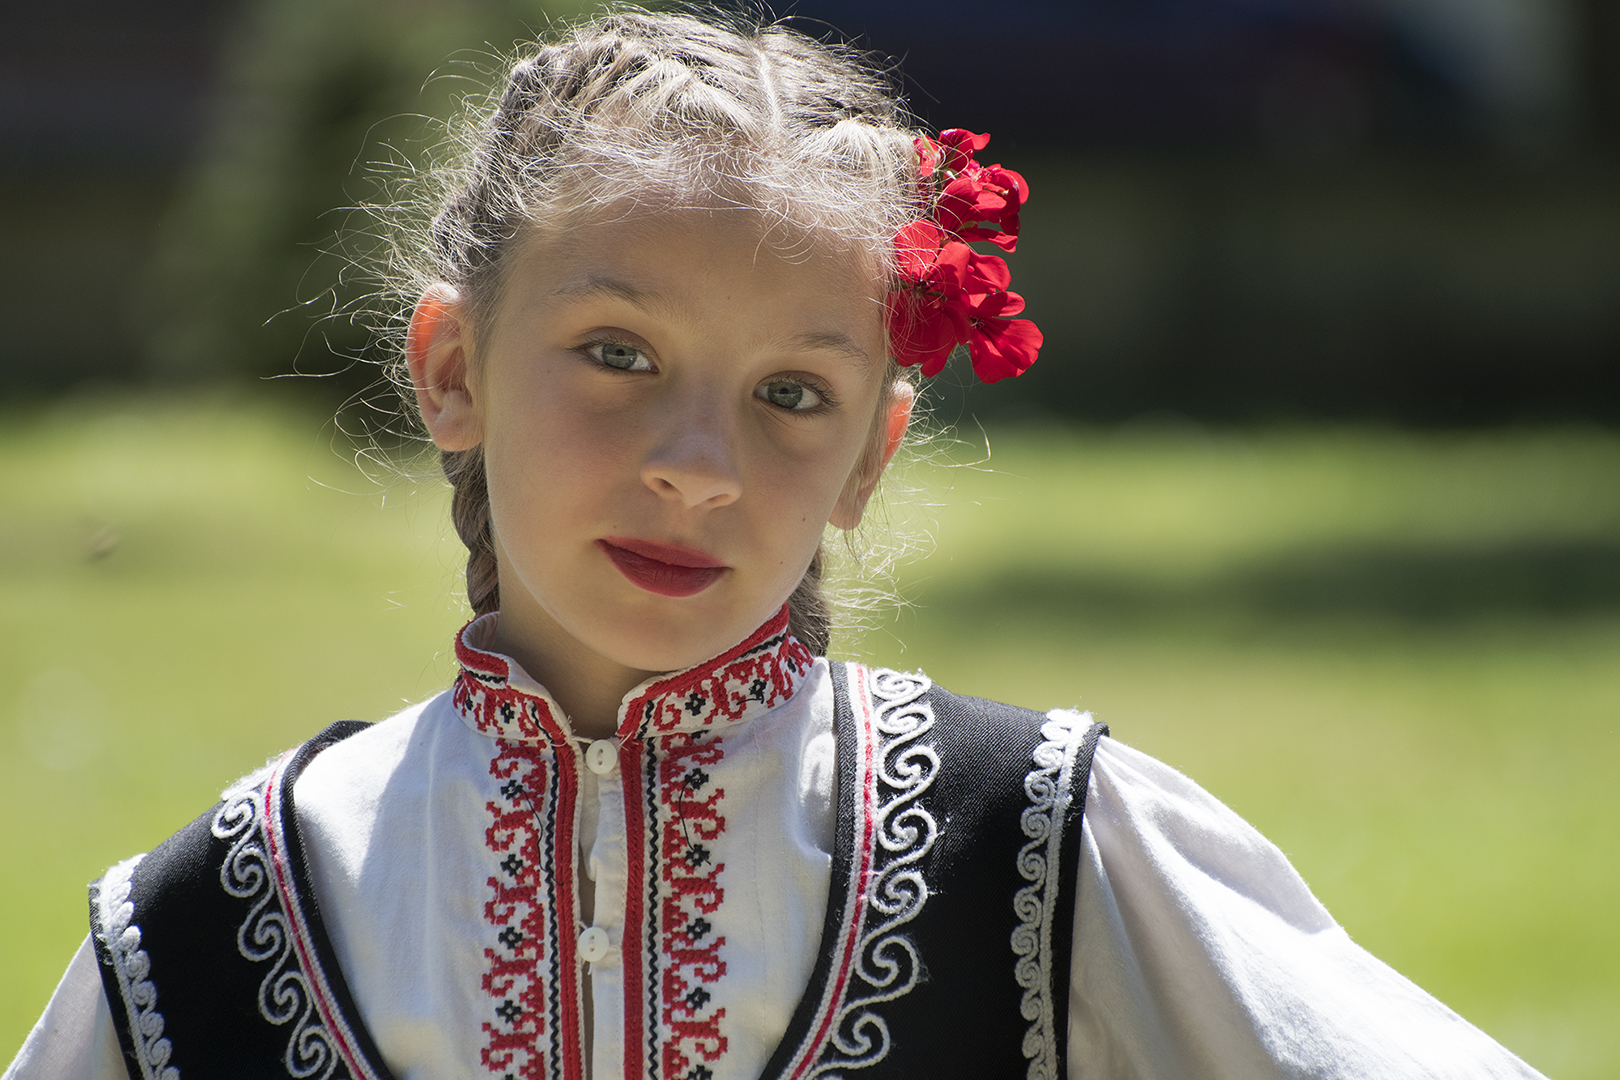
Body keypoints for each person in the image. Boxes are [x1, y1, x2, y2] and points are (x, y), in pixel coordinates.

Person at [6, 10, 1547, 1080]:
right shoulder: (219, 918)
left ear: (870, 453)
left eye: (792, 395)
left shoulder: (1041, 852)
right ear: (454, 369)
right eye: (618, 355)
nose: (697, 468)